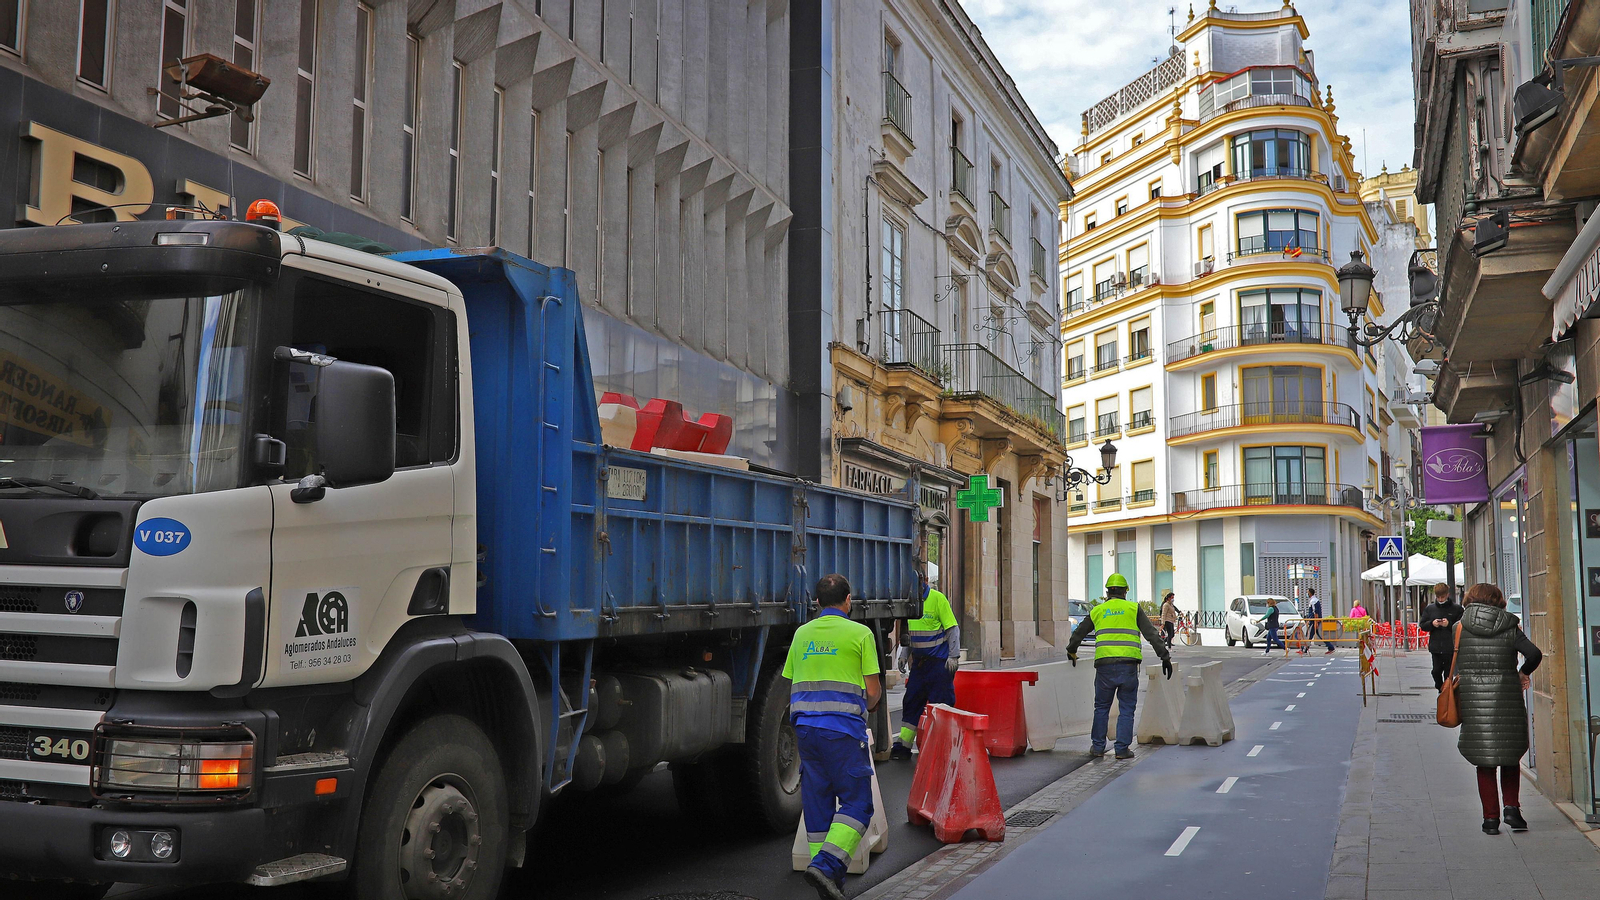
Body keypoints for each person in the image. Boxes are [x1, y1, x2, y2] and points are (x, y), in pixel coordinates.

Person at [783, 574, 883, 900]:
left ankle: (830, 882)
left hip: (806, 733)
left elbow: (792, 681)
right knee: (857, 803)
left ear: (817, 603)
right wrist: (864, 706)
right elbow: (872, 691)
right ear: (848, 599)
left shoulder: (801, 635)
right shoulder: (861, 634)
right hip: (842, 732)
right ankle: (826, 867)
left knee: (818, 802)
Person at [1454, 582, 1542, 835]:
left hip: (1474, 699)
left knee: (1484, 760)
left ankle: (1490, 820)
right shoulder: (1510, 625)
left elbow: (1457, 662)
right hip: (1507, 697)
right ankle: (1512, 808)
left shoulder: (1459, 628)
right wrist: (1521, 673)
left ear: (1470, 599)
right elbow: (1534, 654)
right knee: (1509, 754)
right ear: (1498, 600)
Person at [1066, 574, 1171, 760]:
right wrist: (1165, 657)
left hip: (1105, 666)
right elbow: (1151, 635)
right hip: (1128, 666)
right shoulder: (1132, 608)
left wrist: (1072, 651)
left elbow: (1079, 633)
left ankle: (1098, 747)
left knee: (1101, 707)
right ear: (1125, 592)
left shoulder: (1098, 610)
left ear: (1107, 592)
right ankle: (1122, 749)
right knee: (1127, 708)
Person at [888, 569, 960, 761]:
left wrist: (954, 656)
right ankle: (903, 746)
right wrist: (904, 654)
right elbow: (909, 633)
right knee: (911, 702)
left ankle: (942, 747)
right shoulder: (910, 603)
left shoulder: (937, 599)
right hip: (919, 664)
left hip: (939, 664)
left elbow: (952, 629)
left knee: (941, 705)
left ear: (925, 581)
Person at [1419, 582, 1464, 690]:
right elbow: (1423, 625)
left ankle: (1446, 691)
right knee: (1436, 671)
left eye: (1442, 597)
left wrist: (1449, 625)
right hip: (1436, 646)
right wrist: (1432, 624)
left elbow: (1461, 626)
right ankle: (1440, 687)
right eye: (1438, 597)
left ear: (1447, 595)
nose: (1440, 599)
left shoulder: (1457, 609)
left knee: (1448, 673)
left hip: (1450, 647)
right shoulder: (1430, 609)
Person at [1304, 588, 1335, 654]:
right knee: (1320, 635)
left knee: (1309, 635)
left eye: (1307, 592)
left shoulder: (1313, 601)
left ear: (1310, 593)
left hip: (1314, 621)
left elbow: (1315, 612)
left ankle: (1304, 649)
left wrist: (1316, 622)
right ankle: (1330, 647)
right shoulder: (1315, 600)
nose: (1307, 594)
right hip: (1315, 620)